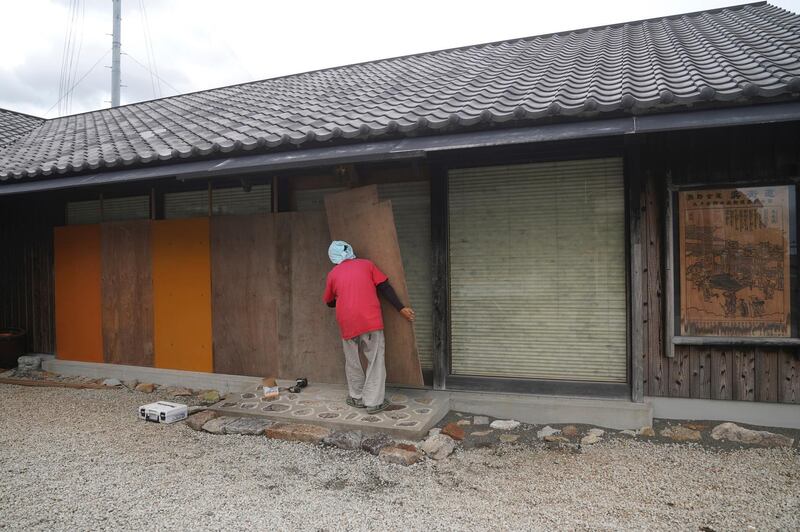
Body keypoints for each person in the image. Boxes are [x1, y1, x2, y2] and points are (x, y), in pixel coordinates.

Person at [323, 240, 415, 414]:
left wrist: (344, 296)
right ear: (350, 251)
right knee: (375, 360)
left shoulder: (333, 274)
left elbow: (329, 302)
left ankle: (356, 397)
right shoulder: (367, 265)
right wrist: (401, 308)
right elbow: (385, 287)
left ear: (333, 257)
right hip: (370, 320)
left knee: (352, 361)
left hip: (347, 323)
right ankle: (373, 402)